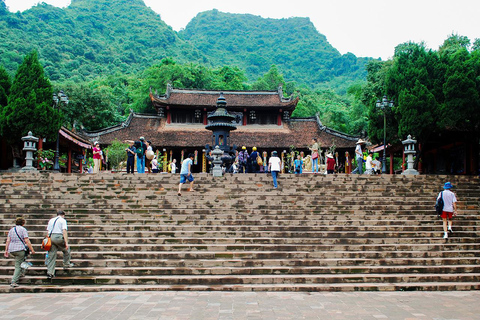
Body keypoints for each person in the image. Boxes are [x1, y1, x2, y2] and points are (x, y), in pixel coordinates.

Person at [4, 217, 35, 288]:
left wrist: (6, 250)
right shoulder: (23, 229)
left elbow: (8, 240)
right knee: (18, 265)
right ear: (23, 223)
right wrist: (32, 249)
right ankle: (14, 281)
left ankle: (21, 273)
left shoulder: (11, 230)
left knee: (20, 261)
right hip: (20, 249)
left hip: (12, 249)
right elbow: (27, 240)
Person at [46, 210, 74, 279]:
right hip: (58, 236)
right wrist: (66, 242)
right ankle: (66, 264)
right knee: (66, 250)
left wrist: (47, 240)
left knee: (51, 255)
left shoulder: (51, 220)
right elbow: (64, 231)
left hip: (51, 237)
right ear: (63, 215)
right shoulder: (62, 220)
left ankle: (50, 272)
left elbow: (48, 231)